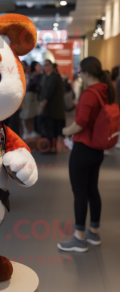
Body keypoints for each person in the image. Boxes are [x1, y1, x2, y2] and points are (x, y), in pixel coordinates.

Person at [58, 56, 116, 252]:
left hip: (83, 149)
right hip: (98, 149)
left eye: (80, 71)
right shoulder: (106, 90)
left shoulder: (89, 94)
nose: (79, 75)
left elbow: (80, 123)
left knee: (80, 193)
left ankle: (79, 238)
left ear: (86, 73)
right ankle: (94, 232)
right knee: (92, 190)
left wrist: (66, 131)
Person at [39, 59, 65, 152]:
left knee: (50, 129)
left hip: (52, 109)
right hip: (53, 109)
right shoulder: (50, 77)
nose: (45, 66)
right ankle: (51, 147)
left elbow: (48, 94)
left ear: (52, 66)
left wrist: (42, 107)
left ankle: (51, 148)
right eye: (44, 64)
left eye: (47, 64)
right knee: (52, 129)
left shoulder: (53, 78)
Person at [20, 61, 42, 139]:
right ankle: (26, 132)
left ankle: (30, 132)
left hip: (30, 98)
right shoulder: (19, 76)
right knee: (24, 116)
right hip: (23, 98)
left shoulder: (29, 76)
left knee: (30, 115)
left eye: (24, 65)